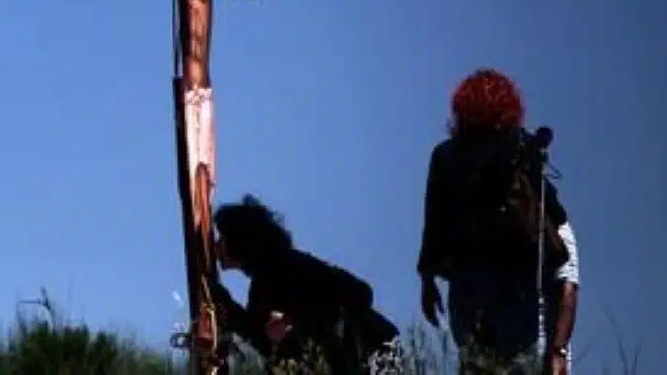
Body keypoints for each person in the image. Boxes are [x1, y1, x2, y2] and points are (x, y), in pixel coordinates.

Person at [417, 68, 580, 374]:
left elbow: (433, 220)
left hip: (467, 288)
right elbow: (550, 218)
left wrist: (427, 281)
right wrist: (558, 349)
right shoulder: (519, 145)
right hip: (517, 289)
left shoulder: (445, 156)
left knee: (476, 362)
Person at [210, 195, 400, 373]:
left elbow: (360, 292)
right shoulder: (264, 283)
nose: (216, 246)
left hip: (376, 351)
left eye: (222, 238)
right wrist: (220, 298)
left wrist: (294, 320)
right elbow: (259, 338)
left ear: (239, 239)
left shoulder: (288, 265)